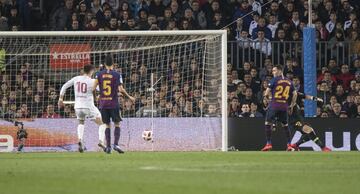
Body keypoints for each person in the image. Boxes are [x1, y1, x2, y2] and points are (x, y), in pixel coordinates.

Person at [58, 64, 107, 153]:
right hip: (88, 106)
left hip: (77, 107)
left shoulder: (76, 78)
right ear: (91, 72)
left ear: (83, 70)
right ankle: (101, 142)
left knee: (81, 122)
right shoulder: (92, 81)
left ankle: (80, 140)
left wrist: (61, 99)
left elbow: (64, 86)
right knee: (102, 124)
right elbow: (103, 90)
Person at [94, 54, 135, 154]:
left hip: (103, 103)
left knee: (107, 125)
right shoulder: (117, 74)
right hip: (113, 103)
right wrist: (129, 97)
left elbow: (94, 87)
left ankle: (108, 147)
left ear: (104, 64)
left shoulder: (98, 74)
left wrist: (96, 96)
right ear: (113, 64)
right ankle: (116, 144)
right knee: (117, 123)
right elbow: (121, 89)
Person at [261, 65, 297, 151]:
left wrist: (268, 100)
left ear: (280, 71)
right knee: (285, 125)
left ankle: (268, 143)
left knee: (267, 123)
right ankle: (289, 145)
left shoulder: (275, 80)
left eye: (274, 71)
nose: (273, 72)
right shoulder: (289, 81)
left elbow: (266, 93)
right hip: (284, 106)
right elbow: (295, 93)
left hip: (274, 105)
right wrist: (292, 105)